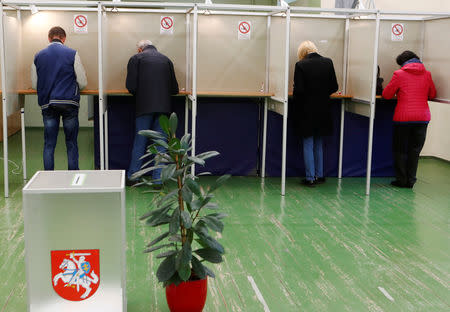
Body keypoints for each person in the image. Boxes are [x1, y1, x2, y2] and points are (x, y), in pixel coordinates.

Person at [31, 26, 87, 170]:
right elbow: (82, 82)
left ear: (49, 38)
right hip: (69, 103)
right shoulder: (72, 53)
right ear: (64, 38)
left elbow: (34, 84)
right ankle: (73, 175)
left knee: (49, 144)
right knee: (71, 143)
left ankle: (49, 177)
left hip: (47, 104)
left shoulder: (38, 55)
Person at [126, 40, 179, 187]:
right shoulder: (166, 59)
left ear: (139, 49)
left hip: (143, 107)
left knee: (140, 142)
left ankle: (133, 177)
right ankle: (158, 180)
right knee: (161, 144)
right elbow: (175, 89)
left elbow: (130, 87)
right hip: (164, 108)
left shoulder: (136, 59)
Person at [382, 50, 436, 188]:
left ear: (403, 63)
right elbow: (433, 94)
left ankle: (401, 180)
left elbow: (387, 95)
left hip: (403, 118)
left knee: (399, 149)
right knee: (415, 150)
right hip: (422, 117)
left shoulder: (399, 74)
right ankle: (411, 181)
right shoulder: (427, 74)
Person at [292, 41, 338, 187]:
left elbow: (299, 90)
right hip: (324, 109)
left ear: (302, 53)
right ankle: (320, 174)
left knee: (308, 143)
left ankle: (310, 178)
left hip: (307, 110)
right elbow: (334, 86)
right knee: (318, 143)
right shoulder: (328, 62)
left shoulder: (300, 65)